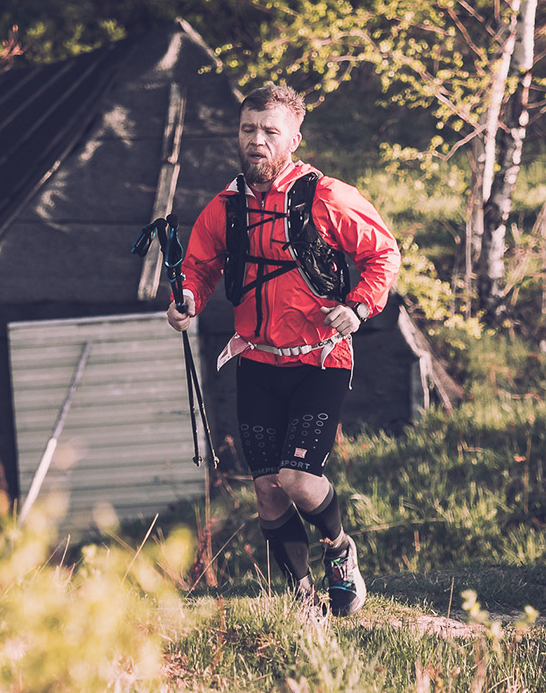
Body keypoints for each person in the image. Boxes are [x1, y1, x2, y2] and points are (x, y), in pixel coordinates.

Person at [166, 83, 400, 617]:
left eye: (270, 131)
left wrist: (359, 307)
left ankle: (339, 549)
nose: (257, 140)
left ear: (294, 138)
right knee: (268, 490)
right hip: (256, 361)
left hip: (320, 359)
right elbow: (198, 268)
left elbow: (383, 254)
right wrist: (186, 301)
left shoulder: (328, 197)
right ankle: (303, 596)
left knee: (296, 478)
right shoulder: (225, 207)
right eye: (248, 129)